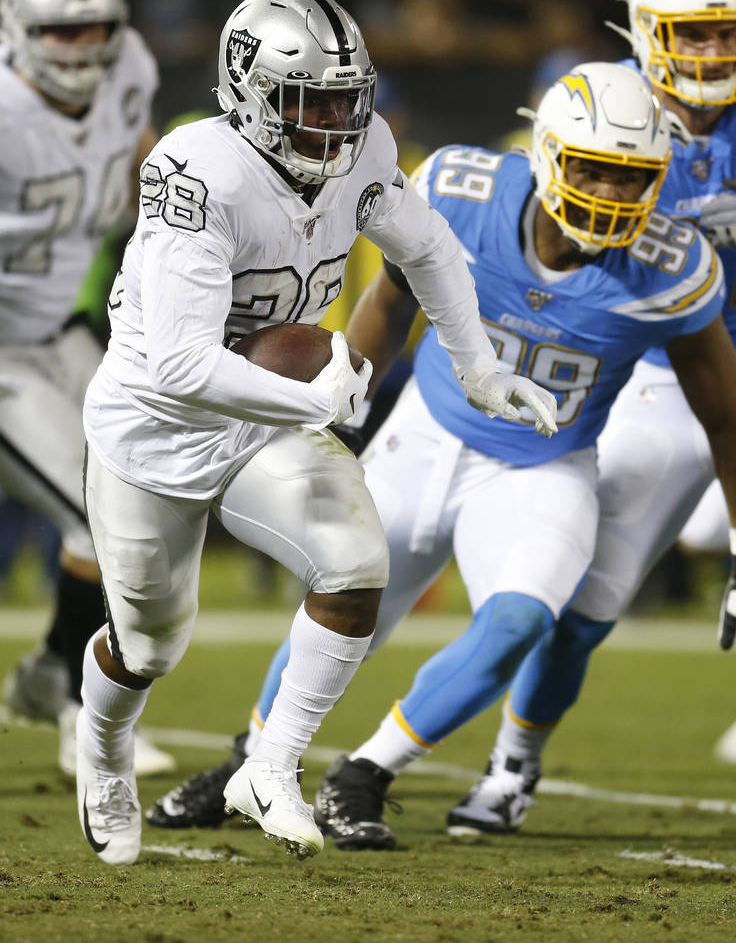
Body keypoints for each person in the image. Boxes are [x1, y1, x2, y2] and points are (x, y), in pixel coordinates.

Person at [146, 57, 734, 847]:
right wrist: (337, 414)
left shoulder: (674, 269)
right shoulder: (463, 189)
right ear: (550, 154)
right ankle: (248, 761)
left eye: (637, 178)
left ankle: (365, 773)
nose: (616, 196)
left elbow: (725, 417)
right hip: (424, 434)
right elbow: (388, 303)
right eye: (598, 170)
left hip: (542, 465)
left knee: (523, 619)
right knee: (344, 593)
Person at [76, 0, 557, 866]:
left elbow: (431, 248)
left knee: (356, 563)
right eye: (314, 99)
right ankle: (102, 750)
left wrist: (481, 368)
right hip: (158, 422)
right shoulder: (197, 172)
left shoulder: (363, 147)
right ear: (249, 90)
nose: (339, 117)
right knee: (147, 644)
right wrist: (316, 396)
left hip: (264, 416)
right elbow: (183, 364)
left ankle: (270, 763)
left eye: (349, 95)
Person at [427, 0, 736, 838]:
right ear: (645, 29)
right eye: (694, 33)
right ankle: (513, 764)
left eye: (727, 33)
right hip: (645, 381)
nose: (714, 53)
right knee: (585, 607)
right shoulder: (607, 108)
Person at [0, 0, 173, 778]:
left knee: (127, 500)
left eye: (98, 26)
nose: (86, 47)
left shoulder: (130, 67)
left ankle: (46, 678)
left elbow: (141, 156)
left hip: (57, 328)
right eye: (63, 32)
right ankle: (77, 711)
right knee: (97, 511)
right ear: (17, 27)